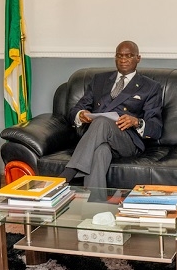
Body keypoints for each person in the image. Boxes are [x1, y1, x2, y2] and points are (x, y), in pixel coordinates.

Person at [62, 41, 163, 190]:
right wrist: (80, 114)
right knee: (101, 152)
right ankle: (95, 205)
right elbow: (75, 109)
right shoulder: (99, 80)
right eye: (119, 56)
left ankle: (68, 173)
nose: (123, 59)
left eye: (129, 56)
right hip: (97, 138)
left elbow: (156, 128)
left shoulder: (150, 86)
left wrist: (136, 122)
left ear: (138, 58)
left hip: (127, 140)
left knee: (102, 121)